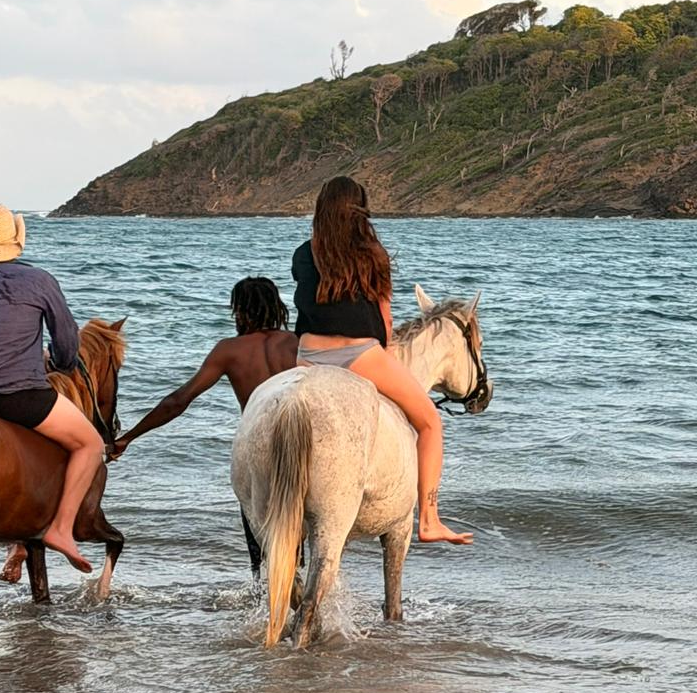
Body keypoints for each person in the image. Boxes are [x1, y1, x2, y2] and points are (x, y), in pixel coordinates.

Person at [292, 176, 472, 544]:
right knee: (430, 422)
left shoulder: (303, 253)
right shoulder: (373, 254)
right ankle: (430, 520)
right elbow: (385, 322)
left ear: (321, 209)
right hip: (359, 355)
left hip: (307, 356)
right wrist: (385, 354)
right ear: (360, 210)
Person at [0, 204, 104, 573]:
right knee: (91, 444)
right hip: (18, 393)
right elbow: (67, 341)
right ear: (16, 240)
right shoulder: (38, 280)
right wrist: (60, 363)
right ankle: (61, 529)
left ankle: (15, 540)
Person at [110, 277, 297, 456]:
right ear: (276, 307)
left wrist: (128, 438)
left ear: (240, 311)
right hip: (298, 434)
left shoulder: (229, 349)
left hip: (257, 437)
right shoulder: (296, 342)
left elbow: (178, 401)